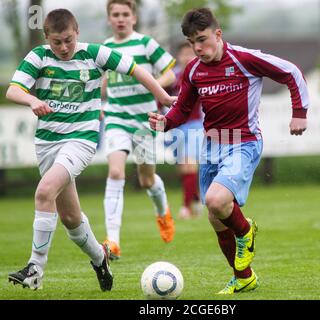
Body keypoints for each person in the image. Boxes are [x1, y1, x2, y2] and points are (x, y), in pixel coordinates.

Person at [6, 8, 175, 291]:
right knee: (71, 218)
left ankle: (35, 268)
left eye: (68, 40)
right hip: (47, 143)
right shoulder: (38, 56)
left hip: (81, 140)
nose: (63, 48)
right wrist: (31, 100)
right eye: (57, 42)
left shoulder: (95, 54)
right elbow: (13, 90)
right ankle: (100, 258)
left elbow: (137, 70)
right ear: (47, 38)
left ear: (77, 33)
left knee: (44, 191)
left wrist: (164, 97)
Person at [149, 8, 309, 294]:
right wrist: (165, 122)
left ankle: (246, 232)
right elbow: (183, 109)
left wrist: (299, 112)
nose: (197, 47)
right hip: (211, 145)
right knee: (215, 215)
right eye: (191, 41)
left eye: (202, 39)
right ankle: (244, 276)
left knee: (214, 199)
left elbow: (291, 72)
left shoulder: (244, 59)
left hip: (243, 141)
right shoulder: (193, 70)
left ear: (218, 34)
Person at [101, 0, 176, 260]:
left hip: (145, 121)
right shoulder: (105, 48)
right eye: (115, 15)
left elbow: (171, 73)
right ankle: (113, 241)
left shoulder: (145, 44)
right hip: (115, 118)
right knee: (115, 171)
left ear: (133, 17)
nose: (120, 19)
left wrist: (153, 84)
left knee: (146, 179)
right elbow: (101, 83)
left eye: (125, 14)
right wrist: (95, 102)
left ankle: (163, 211)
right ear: (109, 19)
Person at [166, 42, 204, 219]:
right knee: (183, 168)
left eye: (191, 53)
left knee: (189, 164)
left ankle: (186, 207)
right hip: (176, 127)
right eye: (184, 53)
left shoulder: (201, 74)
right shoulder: (172, 76)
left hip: (195, 125)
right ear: (178, 57)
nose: (187, 56)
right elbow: (161, 97)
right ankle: (195, 197)